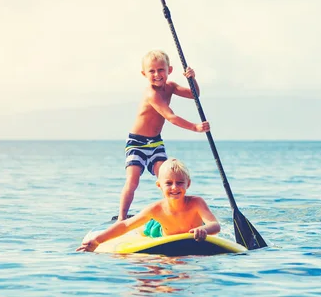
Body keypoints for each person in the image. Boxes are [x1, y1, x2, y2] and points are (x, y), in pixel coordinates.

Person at [118, 50, 210, 221]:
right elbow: (170, 116)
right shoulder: (151, 94)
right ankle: (121, 218)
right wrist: (195, 127)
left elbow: (194, 94)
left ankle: (172, 213)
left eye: (161, 70)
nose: (157, 74)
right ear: (144, 74)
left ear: (170, 70)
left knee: (167, 179)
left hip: (155, 143)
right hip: (136, 143)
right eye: (151, 71)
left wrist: (192, 79)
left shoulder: (171, 87)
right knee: (133, 180)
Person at [77, 159, 220, 252]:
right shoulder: (156, 209)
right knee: (146, 228)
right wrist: (97, 240)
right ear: (159, 185)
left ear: (188, 184)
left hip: (189, 235)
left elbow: (215, 225)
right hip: (158, 232)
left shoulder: (197, 202)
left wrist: (203, 229)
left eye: (180, 182)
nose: (174, 187)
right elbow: (126, 226)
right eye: (168, 183)